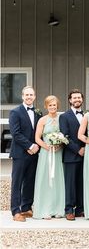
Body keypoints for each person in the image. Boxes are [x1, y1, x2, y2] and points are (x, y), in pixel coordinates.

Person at [9, 86, 41, 222]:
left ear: (34, 96)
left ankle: (26, 207)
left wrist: (37, 146)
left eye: (31, 95)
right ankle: (16, 211)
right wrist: (29, 145)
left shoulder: (38, 113)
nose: (29, 97)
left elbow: (39, 132)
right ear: (22, 96)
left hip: (34, 153)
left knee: (30, 181)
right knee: (17, 182)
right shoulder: (15, 112)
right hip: (20, 153)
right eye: (26, 95)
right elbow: (15, 133)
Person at [32, 95, 65, 219]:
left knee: (58, 179)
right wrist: (47, 147)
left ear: (57, 106)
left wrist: (60, 144)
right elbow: (37, 138)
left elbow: (64, 135)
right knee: (46, 180)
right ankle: (45, 209)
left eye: (54, 105)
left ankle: (58, 208)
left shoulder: (61, 119)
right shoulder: (42, 120)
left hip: (58, 153)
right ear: (46, 106)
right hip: (46, 153)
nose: (52, 107)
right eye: (50, 105)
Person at [59, 89, 85, 221]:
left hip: (86, 155)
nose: (77, 100)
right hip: (71, 155)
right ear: (70, 100)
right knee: (70, 184)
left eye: (79, 98)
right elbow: (65, 136)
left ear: (82, 99)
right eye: (74, 98)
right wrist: (78, 149)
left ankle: (81, 209)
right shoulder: (64, 116)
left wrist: (85, 149)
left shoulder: (86, 115)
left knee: (82, 183)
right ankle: (69, 209)